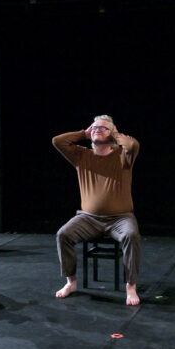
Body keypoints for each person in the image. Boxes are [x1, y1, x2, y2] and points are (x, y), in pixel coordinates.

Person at [52, 115, 142, 306]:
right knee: (63, 234)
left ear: (113, 133)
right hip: (88, 218)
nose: (96, 129)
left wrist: (115, 133)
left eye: (102, 128)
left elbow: (133, 145)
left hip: (120, 218)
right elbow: (57, 141)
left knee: (131, 235)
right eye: (93, 127)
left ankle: (131, 286)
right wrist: (84, 133)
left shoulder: (123, 156)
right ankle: (71, 282)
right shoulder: (81, 155)